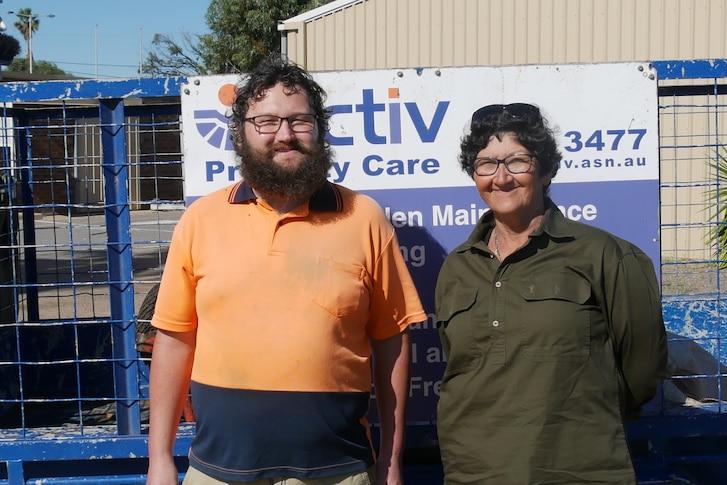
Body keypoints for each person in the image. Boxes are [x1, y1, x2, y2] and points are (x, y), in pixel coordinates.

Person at [146, 57, 426, 485]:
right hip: (218, 472)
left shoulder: (364, 218)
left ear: (320, 131)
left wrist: (390, 463)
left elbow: (392, 340)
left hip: (341, 471)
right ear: (240, 135)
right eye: (267, 121)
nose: (285, 135)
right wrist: (160, 461)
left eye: (300, 121)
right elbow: (173, 341)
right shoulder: (200, 219)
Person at [434, 103, 668, 484]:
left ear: (546, 171)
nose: (502, 178)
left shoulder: (605, 254)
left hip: (578, 469)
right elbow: (459, 364)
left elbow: (642, 371)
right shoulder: (457, 267)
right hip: (475, 471)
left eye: (517, 161)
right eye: (486, 164)